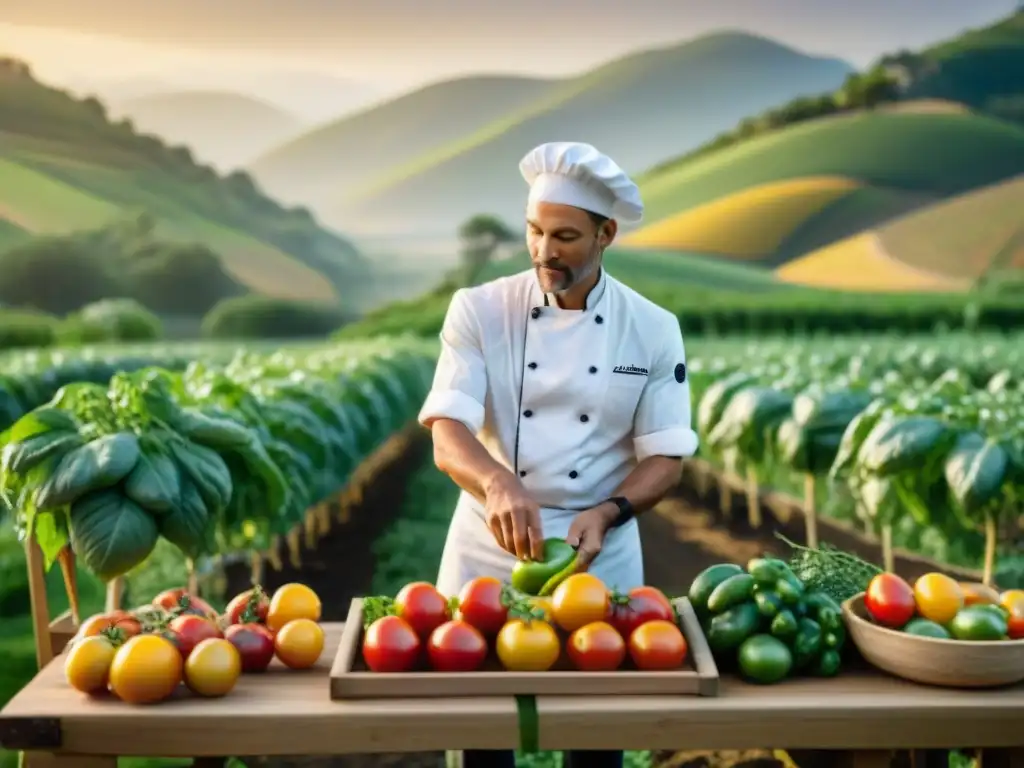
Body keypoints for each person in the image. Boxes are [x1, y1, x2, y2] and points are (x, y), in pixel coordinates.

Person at [417, 141, 699, 768]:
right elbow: (447, 429)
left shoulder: (652, 328)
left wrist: (610, 510)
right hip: (488, 550)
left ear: (607, 234)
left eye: (566, 236)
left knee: (596, 735)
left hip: (597, 550)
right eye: (535, 231)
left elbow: (665, 457)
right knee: (478, 735)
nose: (545, 251)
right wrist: (495, 483)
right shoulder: (479, 310)